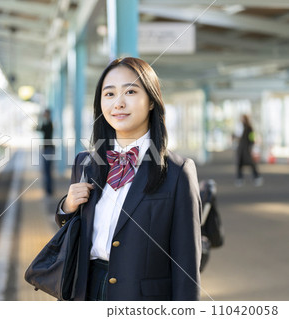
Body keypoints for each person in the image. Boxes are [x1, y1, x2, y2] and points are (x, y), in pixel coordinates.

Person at [55, 57, 201, 301]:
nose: (118, 103)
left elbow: (186, 264)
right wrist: (67, 207)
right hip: (85, 292)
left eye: (130, 91)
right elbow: (72, 229)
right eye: (109, 94)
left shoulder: (178, 171)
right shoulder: (85, 163)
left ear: (152, 101)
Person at [235, 114, 263, 187]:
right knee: (239, 164)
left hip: (247, 148)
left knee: (251, 163)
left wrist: (252, 146)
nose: (242, 120)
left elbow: (252, 138)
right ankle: (239, 178)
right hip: (241, 149)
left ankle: (257, 177)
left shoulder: (249, 128)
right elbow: (237, 136)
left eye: (243, 119)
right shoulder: (240, 127)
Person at [37, 109, 54, 196]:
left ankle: (49, 190)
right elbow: (38, 129)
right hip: (47, 149)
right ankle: (48, 190)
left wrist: (40, 119)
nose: (44, 115)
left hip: (48, 149)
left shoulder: (49, 124)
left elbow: (39, 128)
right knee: (46, 170)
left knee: (47, 170)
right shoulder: (47, 123)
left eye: (45, 114)